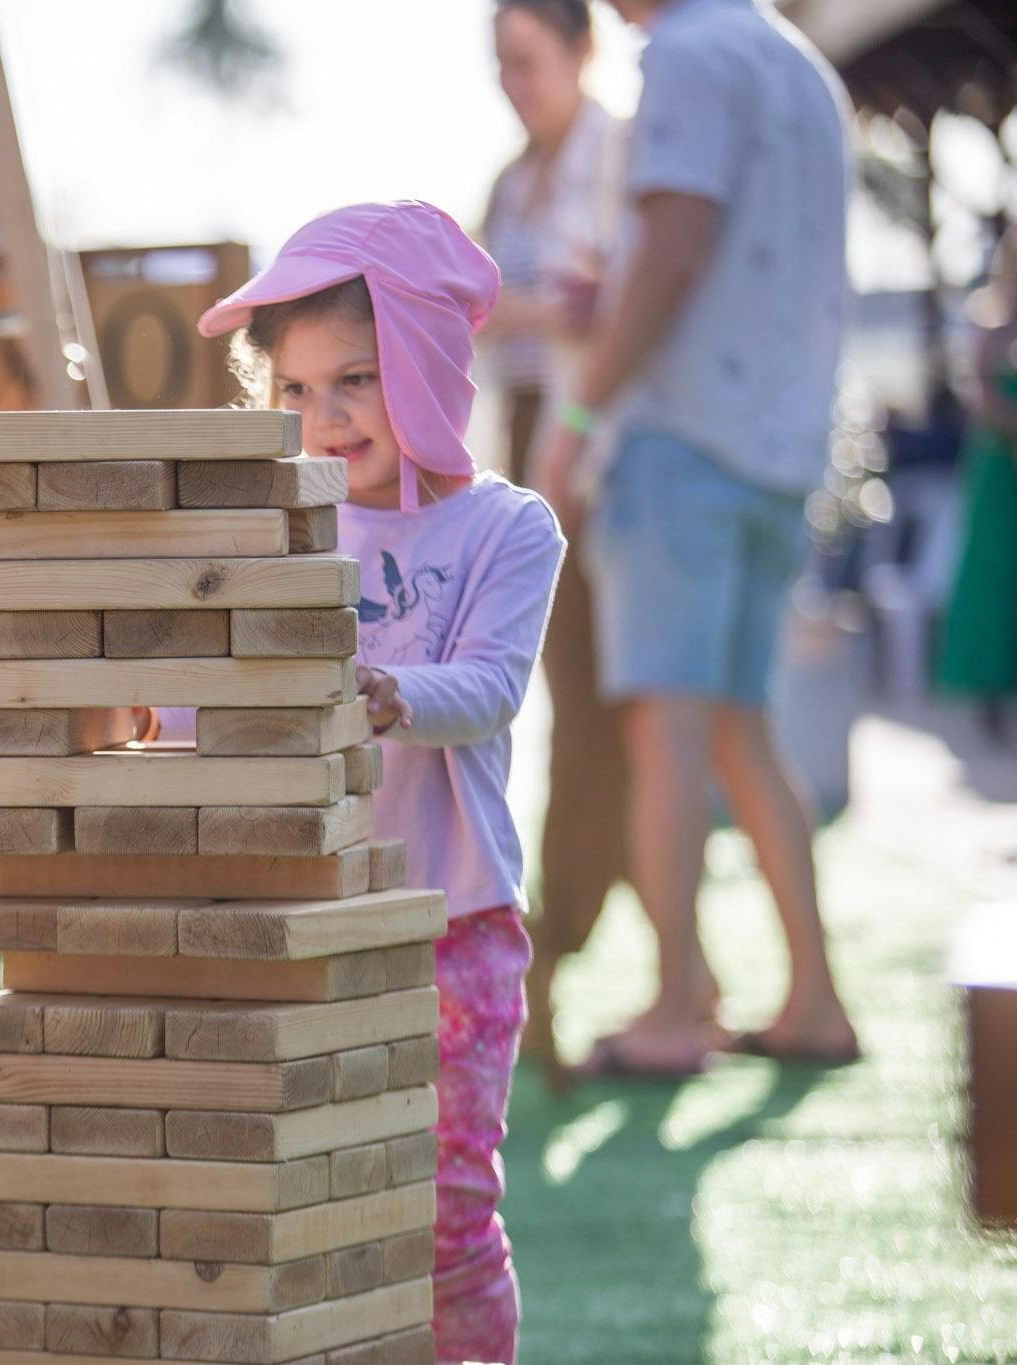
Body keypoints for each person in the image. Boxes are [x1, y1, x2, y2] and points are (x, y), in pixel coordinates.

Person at [195, 202, 564, 1364]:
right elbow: (189, 705)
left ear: (428, 362)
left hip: (450, 928)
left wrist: (396, 694)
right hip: (297, 925)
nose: (323, 415)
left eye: (354, 376)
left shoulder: (508, 527)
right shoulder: (261, 527)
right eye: (295, 390)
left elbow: (494, 684)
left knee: (444, 1218)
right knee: (307, 1216)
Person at [531, 0, 860, 1075]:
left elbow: (673, 246)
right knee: (739, 728)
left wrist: (578, 418)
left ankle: (675, 1006)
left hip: (680, 444)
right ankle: (811, 997)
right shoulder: (799, 65)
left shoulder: (683, 52)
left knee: (663, 734)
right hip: (778, 445)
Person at [480, 0, 631, 1073]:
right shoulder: (508, 180)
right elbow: (499, 312)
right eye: (499, 63)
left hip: (594, 442)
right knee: (555, 707)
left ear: (581, 51)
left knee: (592, 710)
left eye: (525, 60)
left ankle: (554, 939)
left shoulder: (614, 156)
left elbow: (597, 311)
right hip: (531, 441)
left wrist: (525, 311)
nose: (511, 82)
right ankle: (550, 943)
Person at [938, 227, 1017, 734]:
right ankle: (989, 692)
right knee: (994, 577)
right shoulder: (989, 320)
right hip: (999, 468)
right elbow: (981, 396)